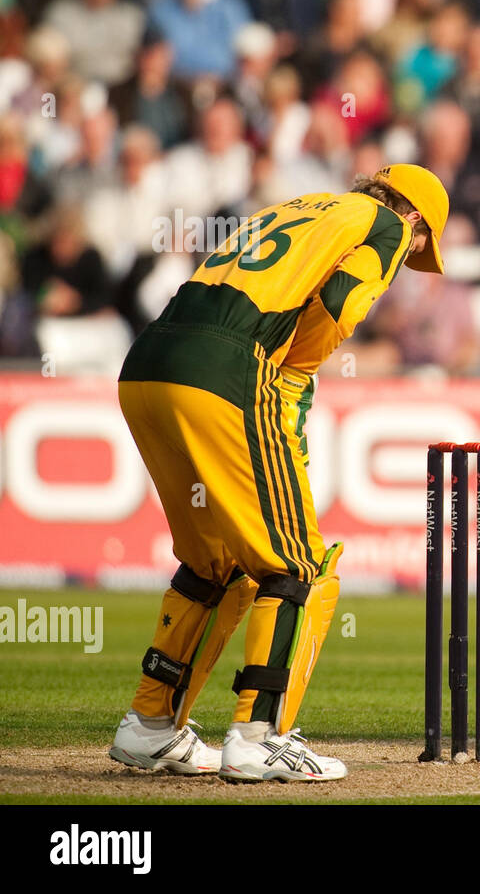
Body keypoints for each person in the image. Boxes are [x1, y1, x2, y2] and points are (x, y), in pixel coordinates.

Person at [109, 164, 448, 781]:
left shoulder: (298, 205)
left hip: (149, 365)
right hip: (229, 372)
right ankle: (261, 736)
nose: (411, 258)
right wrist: (294, 375)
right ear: (418, 220)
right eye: (421, 249)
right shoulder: (389, 224)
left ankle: (150, 727)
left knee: (217, 561)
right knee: (299, 566)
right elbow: (341, 306)